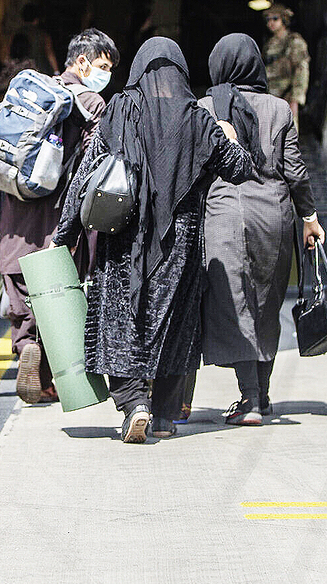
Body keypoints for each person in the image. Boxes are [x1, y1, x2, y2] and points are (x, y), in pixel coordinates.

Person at [53, 38, 256, 444]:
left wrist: (66, 233)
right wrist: (230, 137)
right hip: (180, 244)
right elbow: (240, 170)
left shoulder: (121, 110)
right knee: (173, 326)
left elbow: (88, 174)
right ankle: (163, 414)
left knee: (119, 320)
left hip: (123, 239)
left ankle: (133, 404)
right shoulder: (198, 120)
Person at [0, 29, 119, 404]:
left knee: (18, 277)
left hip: (15, 208)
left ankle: (23, 347)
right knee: (56, 288)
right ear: (81, 61)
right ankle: (47, 371)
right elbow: (94, 162)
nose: (105, 73)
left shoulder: (30, 92)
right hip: (58, 214)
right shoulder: (91, 103)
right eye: (102, 65)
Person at [199, 34, 324, 425]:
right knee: (266, 304)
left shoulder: (205, 108)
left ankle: (250, 399)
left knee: (234, 304)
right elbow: (295, 171)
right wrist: (309, 217)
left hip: (223, 214)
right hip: (275, 214)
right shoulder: (279, 109)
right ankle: (263, 396)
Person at [263, 3, 310, 124]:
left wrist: (295, 99)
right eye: (268, 19)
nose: (271, 23)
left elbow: (301, 70)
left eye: (275, 18)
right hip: (270, 95)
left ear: (284, 19)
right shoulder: (269, 44)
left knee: (288, 136)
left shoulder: (293, 41)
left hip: (286, 95)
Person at [20, 3, 60, 75]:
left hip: (20, 71)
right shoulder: (43, 35)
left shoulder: (17, 34)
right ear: (37, 19)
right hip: (40, 71)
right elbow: (50, 53)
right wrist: (56, 71)